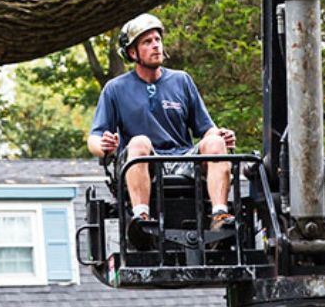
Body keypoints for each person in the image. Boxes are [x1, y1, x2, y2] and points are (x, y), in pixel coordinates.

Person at [87, 13, 237, 249]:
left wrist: (221, 136)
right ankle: (141, 219)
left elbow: (207, 130)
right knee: (138, 142)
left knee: (217, 143)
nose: (156, 45)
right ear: (132, 53)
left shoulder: (182, 81)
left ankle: (219, 216)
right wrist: (103, 146)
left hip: (184, 159)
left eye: (157, 39)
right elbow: (94, 138)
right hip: (145, 163)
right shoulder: (115, 89)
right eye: (147, 42)